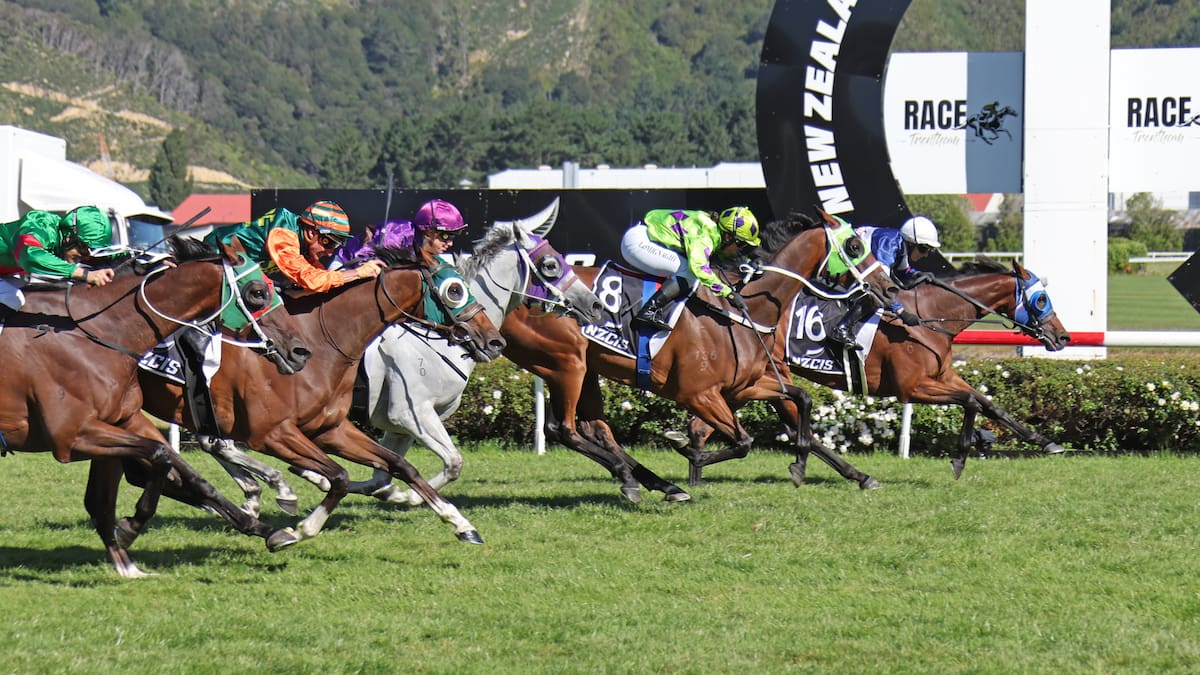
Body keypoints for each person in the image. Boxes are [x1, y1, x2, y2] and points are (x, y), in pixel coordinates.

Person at [621, 206, 760, 331]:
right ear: (728, 237)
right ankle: (649, 310)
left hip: (645, 237)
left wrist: (746, 262)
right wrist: (729, 294)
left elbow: (722, 256)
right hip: (638, 243)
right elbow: (699, 268)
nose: (741, 249)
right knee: (690, 272)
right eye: (741, 245)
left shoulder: (714, 231)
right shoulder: (705, 236)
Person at [204, 200, 384, 291]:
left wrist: (357, 275)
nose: (330, 253)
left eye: (337, 245)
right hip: (215, 261)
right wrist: (357, 273)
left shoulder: (304, 241)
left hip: (237, 272)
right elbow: (311, 280)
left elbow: (322, 275)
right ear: (312, 233)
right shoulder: (283, 235)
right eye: (330, 243)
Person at [829, 214, 941, 348]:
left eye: (929, 250)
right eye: (923, 249)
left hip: (856, 262)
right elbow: (881, 286)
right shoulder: (889, 244)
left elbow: (902, 272)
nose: (925, 254)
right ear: (911, 243)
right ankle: (842, 328)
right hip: (840, 263)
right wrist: (901, 312)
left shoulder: (900, 244)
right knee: (875, 295)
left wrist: (917, 275)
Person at [0, 206, 114, 310]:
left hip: (5, 273)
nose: (86, 257)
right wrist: (84, 274)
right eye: (85, 249)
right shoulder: (39, 226)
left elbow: (110, 256)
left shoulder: (64, 239)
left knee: (31, 294)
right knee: (15, 299)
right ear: (69, 237)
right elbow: (30, 255)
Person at [412, 198, 468, 267]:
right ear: (428, 232)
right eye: (446, 236)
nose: (450, 244)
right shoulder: (405, 260)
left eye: (452, 237)